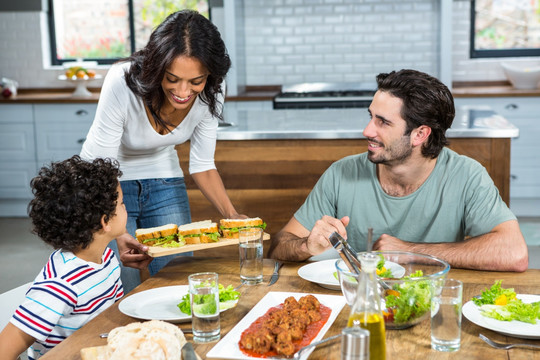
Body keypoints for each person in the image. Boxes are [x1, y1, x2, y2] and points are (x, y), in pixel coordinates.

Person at [268, 69, 528, 272]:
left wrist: (411, 252)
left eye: (383, 122)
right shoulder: (341, 174)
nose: (367, 131)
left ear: (420, 134)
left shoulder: (466, 175)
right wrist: (306, 245)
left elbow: (514, 254)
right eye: (371, 117)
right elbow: (278, 246)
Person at [80, 10, 245, 293]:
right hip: (105, 184)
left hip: (163, 177)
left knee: (178, 276)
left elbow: (203, 164)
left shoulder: (213, 88)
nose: (183, 91)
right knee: (123, 281)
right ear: (157, 69)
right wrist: (117, 231)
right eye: (173, 78)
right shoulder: (122, 81)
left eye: (196, 81)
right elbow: (104, 167)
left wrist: (231, 215)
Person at [0, 156, 126, 359]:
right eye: (122, 203)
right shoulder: (60, 284)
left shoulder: (107, 258)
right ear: (105, 222)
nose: (124, 208)